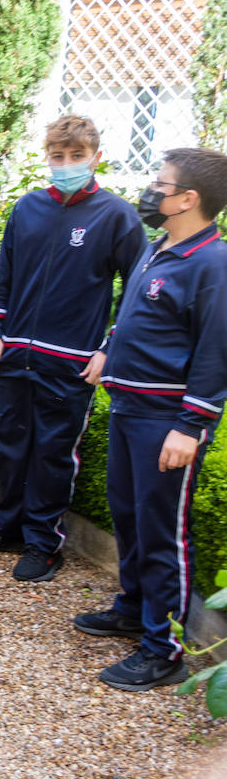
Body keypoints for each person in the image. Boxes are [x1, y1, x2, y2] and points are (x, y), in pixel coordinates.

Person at [0, 114, 145, 582]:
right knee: (12, 444)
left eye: (76, 157)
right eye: (58, 157)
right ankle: (8, 528)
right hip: (15, 356)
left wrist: (109, 348)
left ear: (95, 158)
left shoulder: (116, 216)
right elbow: (3, 278)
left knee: (53, 453)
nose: (65, 165)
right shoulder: (27, 209)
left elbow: (138, 289)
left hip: (70, 362)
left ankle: (45, 544)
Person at [75, 147, 227, 691]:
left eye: (160, 184)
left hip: (167, 420)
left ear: (189, 198)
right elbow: (132, 312)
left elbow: (216, 353)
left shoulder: (213, 264)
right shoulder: (159, 248)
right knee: (128, 514)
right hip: (129, 405)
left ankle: (163, 649)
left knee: (163, 531)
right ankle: (132, 609)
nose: (150, 190)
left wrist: (191, 426)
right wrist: (107, 350)